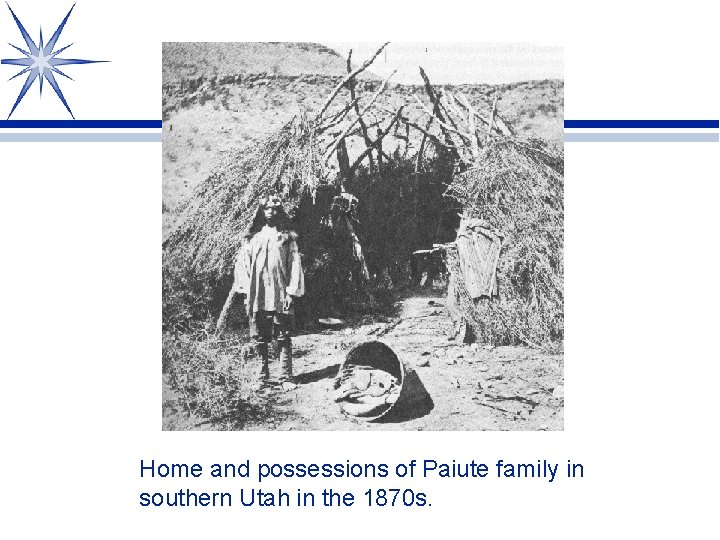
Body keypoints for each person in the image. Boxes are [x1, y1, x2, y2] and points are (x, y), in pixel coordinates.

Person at [232, 194, 305, 384]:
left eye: (274, 208)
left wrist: (291, 292)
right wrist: (247, 292)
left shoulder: (286, 238)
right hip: (258, 293)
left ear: (279, 211)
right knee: (259, 336)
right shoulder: (253, 238)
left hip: (280, 292)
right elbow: (243, 266)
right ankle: (262, 376)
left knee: (283, 334)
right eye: (267, 208)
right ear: (261, 211)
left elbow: (294, 265)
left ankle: (285, 376)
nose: (270, 212)